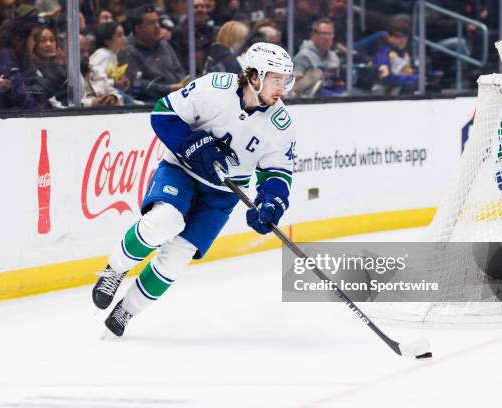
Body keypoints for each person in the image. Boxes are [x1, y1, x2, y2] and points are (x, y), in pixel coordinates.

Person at [92, 42, 297, 337]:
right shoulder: (214, 87)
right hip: (181, 171)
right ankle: (114, 271)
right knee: (165, 221)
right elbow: (163, 113)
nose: (284, 88)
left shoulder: (280, 123)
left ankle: (126, 311)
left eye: (286, 80)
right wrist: (192, 143)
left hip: (223, 193)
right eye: (277, 79)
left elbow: (277, 171)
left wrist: (272, 203)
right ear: (255, 77)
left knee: (178, 255)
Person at [117, 5, 186, 102]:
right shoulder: (128, 50)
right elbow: (135, 85)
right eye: (151, 23)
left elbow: (178, 69)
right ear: (138, 28)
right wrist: (168, 89)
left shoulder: (163, 44)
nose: (157, 26)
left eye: (157, 21)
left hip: (178, 98)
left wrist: (185, 84)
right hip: (150, 105)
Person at [292, 18, 344, 97]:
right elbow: (294, 88)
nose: (327, 38)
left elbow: (336, 82)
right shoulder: (304, 56)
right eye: (323, 33)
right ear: (313, 34)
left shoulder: (334, 57)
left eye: (330, 34)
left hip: (331, 101)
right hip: (307, 102)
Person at [372, 18, 418, 95]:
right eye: (398, 36)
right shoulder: (383, 54)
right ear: (390, 38)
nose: (402, 40)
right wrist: (411, 79)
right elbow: (386, 78)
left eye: (405, 36)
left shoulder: (407, 55)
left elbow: (414, 74)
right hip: (383, 97)